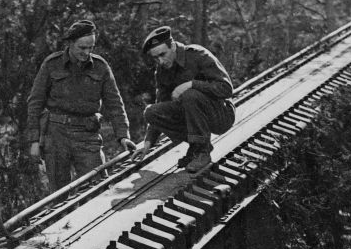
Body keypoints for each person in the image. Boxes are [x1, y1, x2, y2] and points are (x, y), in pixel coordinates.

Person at [25, 19, 136, 190]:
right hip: (56, 135)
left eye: (90, 48)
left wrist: (123, 136)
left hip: (87, 134)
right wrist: (34, 141)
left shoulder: (100, 67)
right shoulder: (51, 64)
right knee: (59, 195)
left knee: (97, 188)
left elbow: (115, 104)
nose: (86, 52)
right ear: (70, 44)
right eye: (82, 48)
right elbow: (35, 103)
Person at [134, 25, 236, 173]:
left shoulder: (197, 55)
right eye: (156, 58)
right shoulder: (162, 71)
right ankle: (196, 148)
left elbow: (226, 89)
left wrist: (191, 84)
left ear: (173, 46)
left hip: (221, 114)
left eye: (163, 54)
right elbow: (161, 105)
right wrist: (148, 143)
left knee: (190, 95)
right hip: (193, 115)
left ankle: (202, 152)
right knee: (151, 112)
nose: (160, 61)